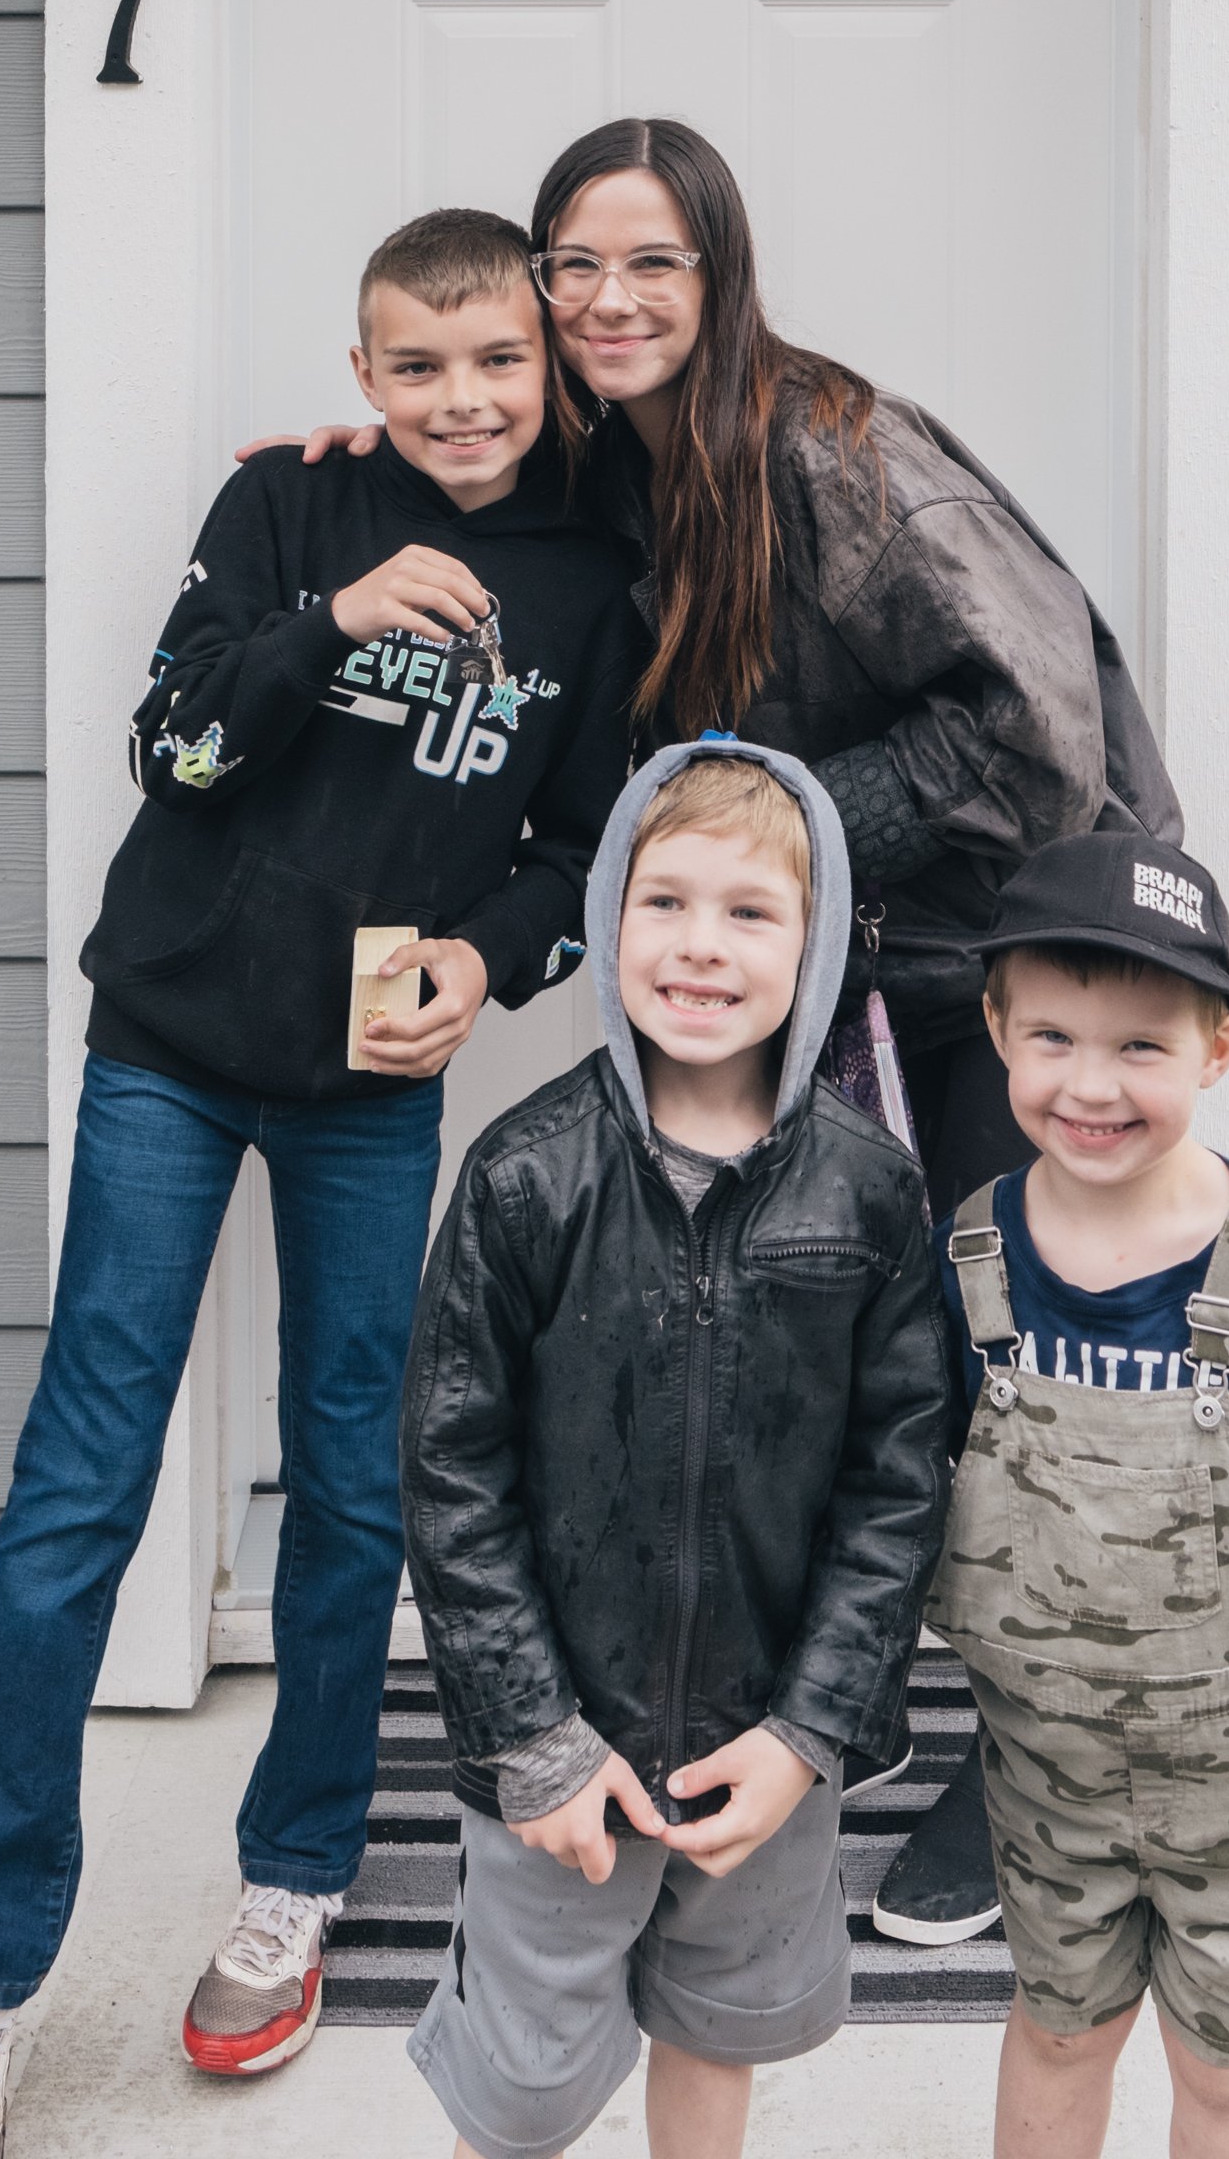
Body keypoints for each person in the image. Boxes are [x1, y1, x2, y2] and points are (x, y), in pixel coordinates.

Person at [265, 111, 1184, 1943]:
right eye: (574, 266)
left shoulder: (831, 448)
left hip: (1000, 972)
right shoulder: (630, 465)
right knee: (874, 1367)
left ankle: (1037, 1791)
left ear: (719, 272)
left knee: (1020, 1372)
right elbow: (497, 503)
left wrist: (771, 822)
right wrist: (358, 475)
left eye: (650, 262)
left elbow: (1028, 732)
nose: (608, 298)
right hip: (844, 966)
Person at [0, 210, 642, 2159]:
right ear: (362, 378)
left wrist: (498, 960)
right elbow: (175, 750)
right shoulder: (287, 514)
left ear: (544, 366)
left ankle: (293, 1879)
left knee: (350, 1478)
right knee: (78, 1487)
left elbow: (573, 852)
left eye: (494, 364)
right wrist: (329, 626)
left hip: (373, 1083)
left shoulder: (592, 571)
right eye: (416, 368)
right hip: (170, 1051)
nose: (460, 402)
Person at [399, 738, 951, 2159]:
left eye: (750, 912)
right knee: (518, 2087)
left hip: (763, 1749)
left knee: (718, 2032)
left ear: (816, 944)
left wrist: (810, 1732)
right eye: (665, 903)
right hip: (563, 1756)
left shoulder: (874, 1195)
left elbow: (899, 1489)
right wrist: (531, 1738)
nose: (701, 947)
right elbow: (452, 1475)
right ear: (606, 920)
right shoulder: (526, 1175)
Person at [928, 829, 1229, 2159]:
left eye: (1143, 1045)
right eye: (1055, 1038)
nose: (1093, 1085)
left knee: (1222, 2064)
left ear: (1221, 1050)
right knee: (1057, 2028)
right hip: (1047, 1772)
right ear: (996, 1028)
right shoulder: (968, 1263)